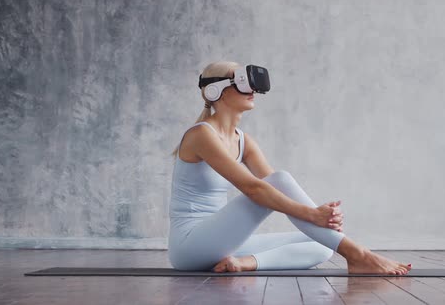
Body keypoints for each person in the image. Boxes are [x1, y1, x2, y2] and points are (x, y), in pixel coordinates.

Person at [168, 61, 412, 275]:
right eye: (242, 82)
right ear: (215, 91)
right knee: (279, 181)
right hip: (190, 246)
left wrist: (320, 218)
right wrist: (313, 215)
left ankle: (244, 263)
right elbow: (256, 189)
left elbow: (278, 193)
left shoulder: (243, 140)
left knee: (322, 244)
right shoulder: (201, 135)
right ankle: (359, 255)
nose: (252, 89)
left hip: (224, 243)